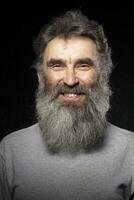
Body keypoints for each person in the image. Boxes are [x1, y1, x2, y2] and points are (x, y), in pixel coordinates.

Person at [0, 9, 134, 200]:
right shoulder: (10, 151)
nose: (70, 80)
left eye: (83, 65)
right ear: (41, 77)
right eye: (57, 65)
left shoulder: (131, 150)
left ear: (103, 74)